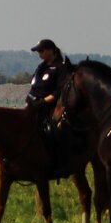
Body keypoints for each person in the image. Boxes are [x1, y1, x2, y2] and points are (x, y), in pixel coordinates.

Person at [27, 39, 72, 177]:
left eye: (41, 51)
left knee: (52, 131)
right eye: (38, 51)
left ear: (51, 50)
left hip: (50, 107)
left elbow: (59, 91)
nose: (39, 54)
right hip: (32, 105)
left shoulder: (60, 67)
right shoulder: (41, 67)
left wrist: (43, 102)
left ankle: (59, 164)